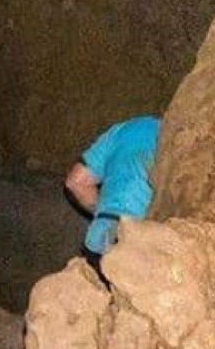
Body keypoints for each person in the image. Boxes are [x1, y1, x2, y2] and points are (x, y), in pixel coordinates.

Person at [65, 115, 161, 275]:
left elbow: (75, 182)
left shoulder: (124, 129)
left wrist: (107, 212)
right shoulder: (178, 135)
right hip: (141, 242)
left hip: (99, 239)